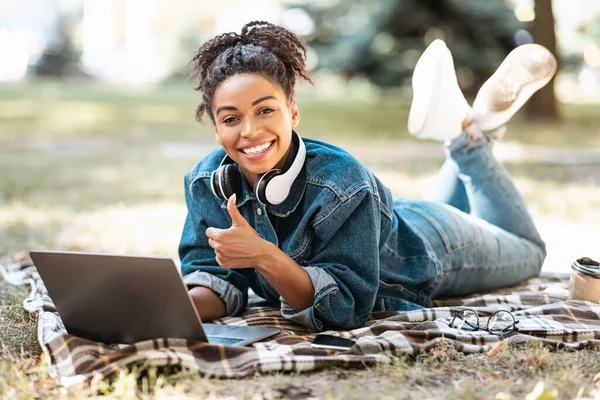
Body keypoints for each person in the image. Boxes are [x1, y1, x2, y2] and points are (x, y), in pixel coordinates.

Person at [179, 21, 556, 331]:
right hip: (384, 219)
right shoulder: (205, 182)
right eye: (231, 119)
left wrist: (264, 256)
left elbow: (344, 308)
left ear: (292, 113)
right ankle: (468, 126)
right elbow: (214, 277)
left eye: (265, 111)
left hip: (431, 247)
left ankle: (471, 138)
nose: (249, 131)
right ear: (216, 129)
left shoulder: (343, 181)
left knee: (531, 251)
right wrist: (173, 310)